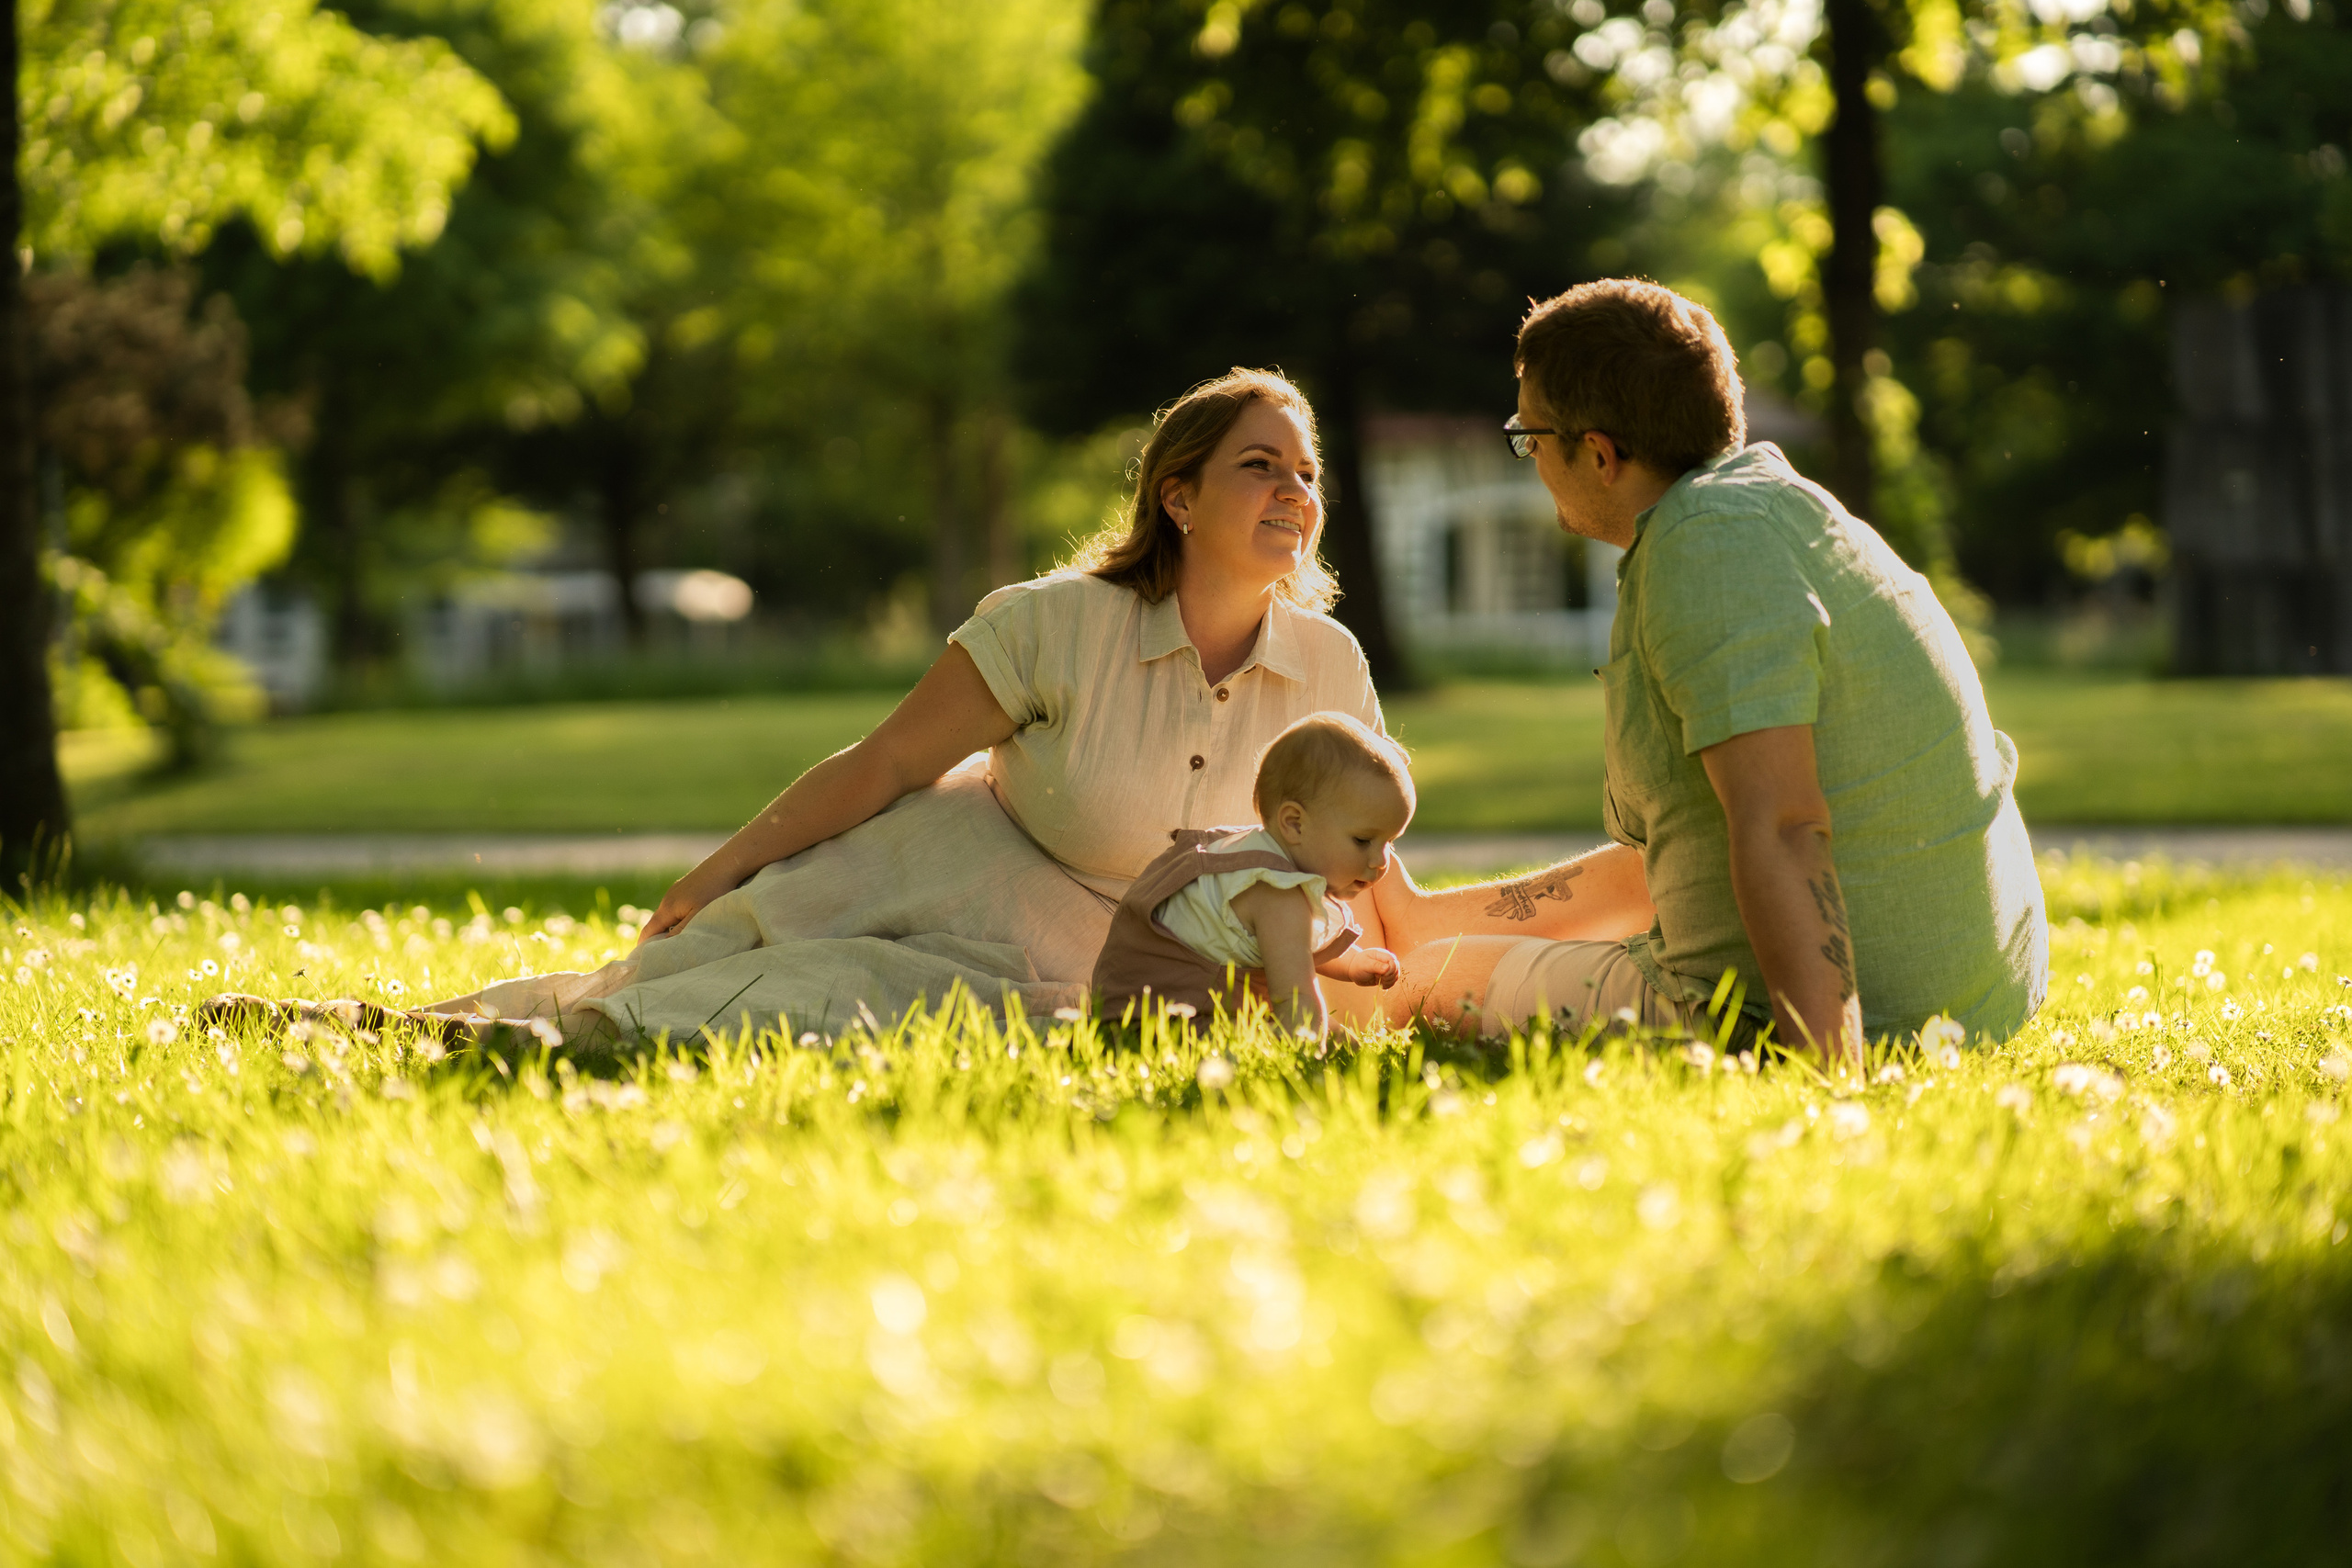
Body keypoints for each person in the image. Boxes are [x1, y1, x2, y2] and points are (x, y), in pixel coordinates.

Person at [400, 368, 1395, 1044]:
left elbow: (1363, 850)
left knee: (847, 1007)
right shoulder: (1050, 624)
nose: (1294, 492)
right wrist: (717, 870)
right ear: (1176, 499)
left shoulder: (1332, 667)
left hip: (1127, 963)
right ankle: (420, 1027)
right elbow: (883, 762)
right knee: (717, 972)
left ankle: (525, 1033)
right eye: (1260, 466)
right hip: (952, 872)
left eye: (1306, 473)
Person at [1355, 279, 2047, 1065]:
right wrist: (1422, 914)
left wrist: (1831, 1080)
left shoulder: (1703, 553)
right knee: (1423, 945)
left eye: (1531, 437)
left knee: (1407, 986)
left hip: (1854, 1018)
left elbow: (1785, 826)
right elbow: (1681, 856)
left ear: (1600, 453)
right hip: (1967, 1001)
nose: (1531, 460)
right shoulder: (1769, 509)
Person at [1094, 712, 1408, 1039]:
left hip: (1141, 1009)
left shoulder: (1250, 855)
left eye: (1390, 842)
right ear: (1295, 823)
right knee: (1329, 1040)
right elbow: (1296, 1000)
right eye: (1363, 841)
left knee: (1336, 1038)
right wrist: (1312, 1053)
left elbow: (1289, 948)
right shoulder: (1274, 892)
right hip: (1166, 1025)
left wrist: (1352, 963)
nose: (1381, 860)